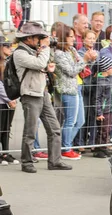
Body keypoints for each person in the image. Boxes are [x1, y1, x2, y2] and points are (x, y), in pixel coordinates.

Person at [13, 22, 72, 173]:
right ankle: (26, 162)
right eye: (38, 37)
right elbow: (39, 62)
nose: (40, 40)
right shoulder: (20, 53)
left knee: (55, 128)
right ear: (28, 38)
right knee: (30, 131)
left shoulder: (34, 50)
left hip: (42, 93)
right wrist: (45, 49)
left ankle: (55, 161)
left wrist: (47, 65)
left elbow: (41, 65)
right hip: (30, 95)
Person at [54, 24, 97, 159]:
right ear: (63, 37)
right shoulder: (59, 54)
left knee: (80, 121)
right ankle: (65, 148)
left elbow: (80, 65)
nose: (73, 39)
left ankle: (62, 146)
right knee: (70, 121)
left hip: (77, 87)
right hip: (68, 89)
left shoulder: (71, 50)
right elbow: (72, 71)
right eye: (71, 36)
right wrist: (85, 60)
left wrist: (88, 59)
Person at [0, 36, 19, 166]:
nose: (10, 48)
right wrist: (9, 98)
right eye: (6, 46)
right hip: (2, 101)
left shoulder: (7, 63)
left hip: (9, 101)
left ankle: (5, 153)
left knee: (7, 129)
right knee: (0, 128)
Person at [94, 56, 112, 158]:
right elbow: (97, 98)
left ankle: (104, 147)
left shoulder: (109, 78)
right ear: (107, 68)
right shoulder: (100, 82)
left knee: (107, 129)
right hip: (103, 110)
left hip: (109, 108)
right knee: (102, 130)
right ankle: (100, 149)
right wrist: (99, 113)